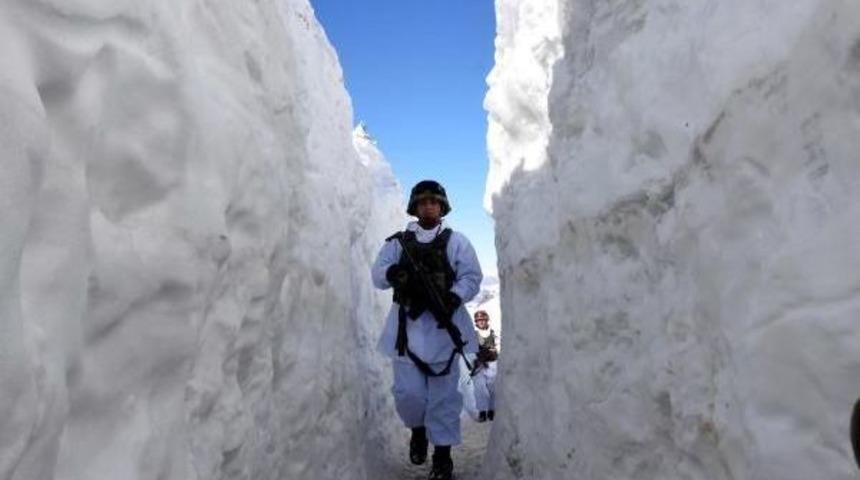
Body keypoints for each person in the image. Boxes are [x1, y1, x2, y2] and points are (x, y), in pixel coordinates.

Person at [372, 180, 482, 480]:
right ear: (415, 207)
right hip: (406, 331)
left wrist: (453, 296)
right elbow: (377, 275)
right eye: (423, 202)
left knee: (444, 399)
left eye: (434, 201)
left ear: (442, 205)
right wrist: (393, 273)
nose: (428, 206)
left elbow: (472, 276)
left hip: (445, 330)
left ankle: (443, 458)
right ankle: (418, 431)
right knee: (408, 394)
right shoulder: (397, 244)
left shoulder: (457, 241)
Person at [471, 310, 498, 422]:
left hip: (492, 364)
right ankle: (482, 411)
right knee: (480, 390)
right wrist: (477, 360)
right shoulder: (473, 335)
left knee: (493, 388)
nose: (481, 322)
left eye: (482, 320)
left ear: (487, 320)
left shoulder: (493, 333)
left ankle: (492, 410)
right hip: (479, 366)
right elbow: (471, 350)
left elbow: (495, 349)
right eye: (478, 321)